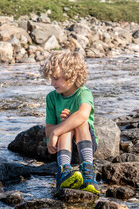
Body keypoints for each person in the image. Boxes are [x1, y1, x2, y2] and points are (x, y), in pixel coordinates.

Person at [40, 50, 100, 194]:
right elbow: (48, 130)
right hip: (61, 149)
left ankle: (87, 170)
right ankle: (64, 171)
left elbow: (83, 114)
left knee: (79, 121)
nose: (52, 83)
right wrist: (59, 128)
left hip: (84, 147)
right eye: (51, 79)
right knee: (66, 125)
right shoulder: (52, 98)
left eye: (56, 78)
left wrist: (57, 130)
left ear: (72, 76)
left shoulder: (83, 93)